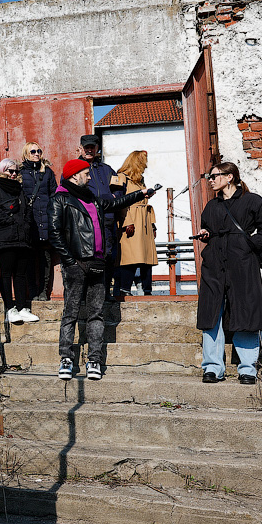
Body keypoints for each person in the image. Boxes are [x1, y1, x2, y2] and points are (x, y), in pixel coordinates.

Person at [49, 158, 156, 380]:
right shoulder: (61, 198)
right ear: (74, 175)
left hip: (98, 263)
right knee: (71, 313)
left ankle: (94, 360)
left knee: (96, 314)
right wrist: (69, 261)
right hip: (76, 264)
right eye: (86, 174)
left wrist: (141, 194)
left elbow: (114, 204)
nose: (90, 177)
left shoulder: (93, 199)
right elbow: (55, 233)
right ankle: (66, 359)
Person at [193, 162, 262, 385]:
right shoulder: (211, 206)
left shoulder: (252, 201)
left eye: (214, 176)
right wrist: (206, 234)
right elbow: (209, 229)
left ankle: (248, 369)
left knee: (246, 311)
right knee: (211, 313)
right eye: (209, 177)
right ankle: (212, 368)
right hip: (214, 264)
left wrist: (247, 245)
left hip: (243, 264)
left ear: (229, 177)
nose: (210, 180)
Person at [0, 158, 40, 325]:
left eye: (15, 172)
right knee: (6, 272)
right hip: (5, 236)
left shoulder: (19, 188)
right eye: (10, 171)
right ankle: (10, 309)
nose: (13, 174)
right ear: (2, 171)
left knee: (20, 273)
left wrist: (25, 225)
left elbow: (26, 208)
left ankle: (22, 308)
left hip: (22, 236)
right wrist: (9, 221)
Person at [76, 134, 123, 299]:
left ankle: (104, 291)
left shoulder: (106, 169)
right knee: (86, 256)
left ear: (97, 149)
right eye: (86, 147)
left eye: (92, 147)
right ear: (80, 148)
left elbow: (119, 186)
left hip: (107, 218)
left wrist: (115, 196)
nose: (89, 150)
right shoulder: (74, 168)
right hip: (85, 220)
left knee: (108, 256)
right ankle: (85, 293)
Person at [114, 151, 157, 296]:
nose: (145, 165)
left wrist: (152, 225)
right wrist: (127, 222)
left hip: (144, 221)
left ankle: (147, 290)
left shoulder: (140, 180)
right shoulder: (122, 178)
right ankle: (124, 289)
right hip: (131, 219)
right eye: (142, 162)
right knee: (130, 256)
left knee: (147, 257)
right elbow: (119, 203)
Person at [20, 142, 58, 301]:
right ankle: (33, 292)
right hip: (30, 223)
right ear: (26, 154)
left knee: (45, 260)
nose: (37, 154)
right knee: (29, 260)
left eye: (39, 151)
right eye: (33, 151)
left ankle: (43, 293)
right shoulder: (21, 173)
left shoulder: (47, 172)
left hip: (46, 222)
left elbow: (54, 196)